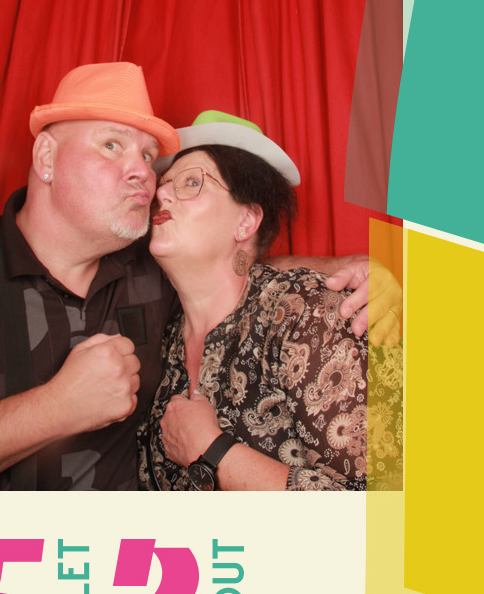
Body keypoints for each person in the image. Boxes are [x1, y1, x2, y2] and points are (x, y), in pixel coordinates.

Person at [0, 63, 383, 492]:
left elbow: (237, 273)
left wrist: (357, 270)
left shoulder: (295, 310)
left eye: (149, 158)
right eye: (111, 144)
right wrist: (57, 407)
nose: (151, 183)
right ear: (46, 158)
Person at [139, 110, 400, 490]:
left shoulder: (308, 314)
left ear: (246, 221)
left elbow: (383, 510)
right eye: (163, 185)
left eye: (192, 182)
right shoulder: (165, 338)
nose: (162, 194)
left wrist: (211, 451)